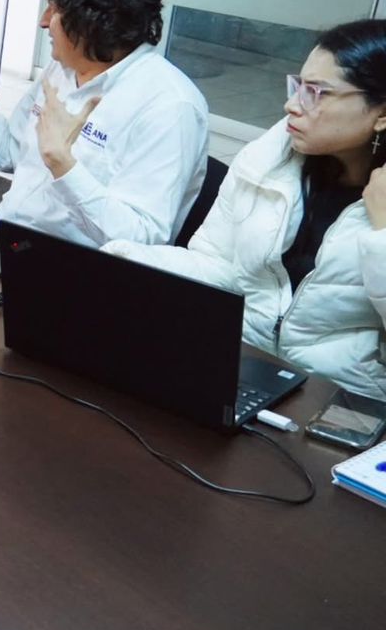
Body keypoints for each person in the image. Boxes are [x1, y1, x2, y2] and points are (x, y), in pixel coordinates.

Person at [106, 20, 386, 398]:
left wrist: (382, 236)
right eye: (298, 86)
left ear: (381, 114)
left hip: (347, 399)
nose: (291, 105)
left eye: (316, 93)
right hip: (247, 367)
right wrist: (123, 261)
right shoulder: (267, 160)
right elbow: (217, 265)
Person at [0, 0, 208, 247]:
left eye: (55, 9)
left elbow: (140, 238)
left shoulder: (169, 105)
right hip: (5, 243)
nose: (43, 21)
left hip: (75, 269)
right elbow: (10, 152)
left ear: (94, 19)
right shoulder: (62, 70)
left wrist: (64, 165)